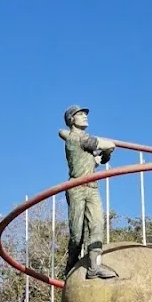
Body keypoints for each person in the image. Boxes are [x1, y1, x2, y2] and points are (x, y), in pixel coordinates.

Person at [59, 106, 118, 278]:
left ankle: (94, 266)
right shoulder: (74, 138)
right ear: (71, 119)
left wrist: (105, 155)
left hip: (92, 188)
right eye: (80, 114)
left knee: (97, 226)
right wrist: (110, 146)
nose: (85, 116)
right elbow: (103, 144)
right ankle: (71, 263)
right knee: (77, 234)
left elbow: (98, 159)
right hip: (77, 188)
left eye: (85, 114)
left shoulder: (85, 143)